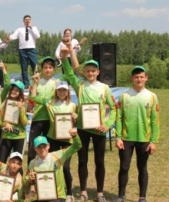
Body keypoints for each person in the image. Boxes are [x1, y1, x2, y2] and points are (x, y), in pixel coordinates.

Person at [60, 49, 117, 202]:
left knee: (100, 162)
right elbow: (70, 73)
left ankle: (100, 193)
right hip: (82, 129)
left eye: (93, 71)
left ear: (98, 71)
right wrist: (64, 58)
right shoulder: (80, 86)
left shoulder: (104, 88)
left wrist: (107, 124)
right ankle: (84, 192)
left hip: (99, 130)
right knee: (82, 160)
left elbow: (113, 108)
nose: (90, 73)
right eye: (88, 71)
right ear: (84, 72)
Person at [113, 66, 160, 202]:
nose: (139, 79)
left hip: (144, 138)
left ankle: (142, 197)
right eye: (136, 77)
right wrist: (118, 137)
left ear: (146, 78)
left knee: (142, 167)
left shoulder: (152, 96)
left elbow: (155, 120)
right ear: (131, 79)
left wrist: (154, 141)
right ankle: (121, 195)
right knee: (124, 166)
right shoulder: (124, 95)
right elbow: (119, 117)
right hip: (126, 138)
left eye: (141, 76)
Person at [25, 130, 82, 202]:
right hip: (42, 197)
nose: (42, 149)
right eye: (39, 147)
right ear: (35, 149)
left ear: (48, 146)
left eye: (44, 146)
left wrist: (75, 136)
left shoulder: (58, 155)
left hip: (58, 196)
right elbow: (25, 183)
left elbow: (77, 146)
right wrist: (29, 179)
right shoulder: (32, 163)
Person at [45, 81, 78, 202]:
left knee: (65, 167)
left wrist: (76, 119)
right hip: (53, 138)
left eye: (64, 90)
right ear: (56, 91)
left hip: (67, 140)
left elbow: (75, 124)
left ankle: (69, 192)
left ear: (68, 91)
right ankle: (54, 191)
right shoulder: (49, 103)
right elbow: (34, 99)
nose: (62, 92)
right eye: (59, 90)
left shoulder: (73, 105)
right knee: (54, 166)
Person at [27, 57, 57, 165]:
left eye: (50, 67)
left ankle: (49, 174)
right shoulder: (36, 81)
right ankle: (29, 177)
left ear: (53, 69)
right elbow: (32, 99)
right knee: (31, 151)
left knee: (50, 150)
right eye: (45, 68)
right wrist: (35, 83)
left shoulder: (57, 83)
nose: (48, 70)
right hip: (37, 118)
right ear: (42, 69)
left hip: (50, 120)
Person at [0, 80, 28, 170]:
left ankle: (18, 183)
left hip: (19, 137)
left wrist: (21, 109)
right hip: (6, 137)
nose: (14, 92)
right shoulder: (4, 103)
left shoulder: (24, 105)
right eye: (13, 89)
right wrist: (5, 123)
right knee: (1, 163)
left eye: (17, 90)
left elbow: (25, 123)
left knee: (17, 165)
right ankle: (0, 183)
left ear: (20, 92)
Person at [6, 15, 40, 88]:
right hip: (22, 50)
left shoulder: (34, 28)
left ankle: (36, 82)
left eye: (28, 19)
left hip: (32, 49)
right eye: (26, 20)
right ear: (23, 21)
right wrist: (9, 37)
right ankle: (26, 84)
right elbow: (13, 36)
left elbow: (38, 36)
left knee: (35, 66)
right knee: (24, 68)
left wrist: (32, 28)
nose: (27, 21)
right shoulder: (19, 29)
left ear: (30, 21)